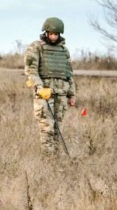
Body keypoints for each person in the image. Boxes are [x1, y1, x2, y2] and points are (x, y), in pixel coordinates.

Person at [25, 17, 77, 155]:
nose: (53, 36)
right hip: (44, 94)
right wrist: (39, 87)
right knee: (47, 128)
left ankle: (56, 160)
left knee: (57, 129)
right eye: (51, 33)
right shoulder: (36, 47)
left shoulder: (64, 50)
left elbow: (69, 74)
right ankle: (48, 161)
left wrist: (72, 94)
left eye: (56, 34)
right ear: (46, 32)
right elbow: (31, 70)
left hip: (61, 94)